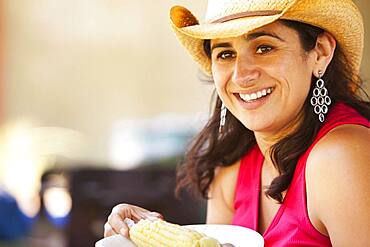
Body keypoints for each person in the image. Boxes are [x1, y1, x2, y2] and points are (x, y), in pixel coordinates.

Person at [104, 0, 370, 245]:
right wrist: (136, 234)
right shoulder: (230, 171)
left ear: (320, 52)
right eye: (225, 54)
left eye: (265, 48)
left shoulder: (342, 156)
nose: (242, 75)